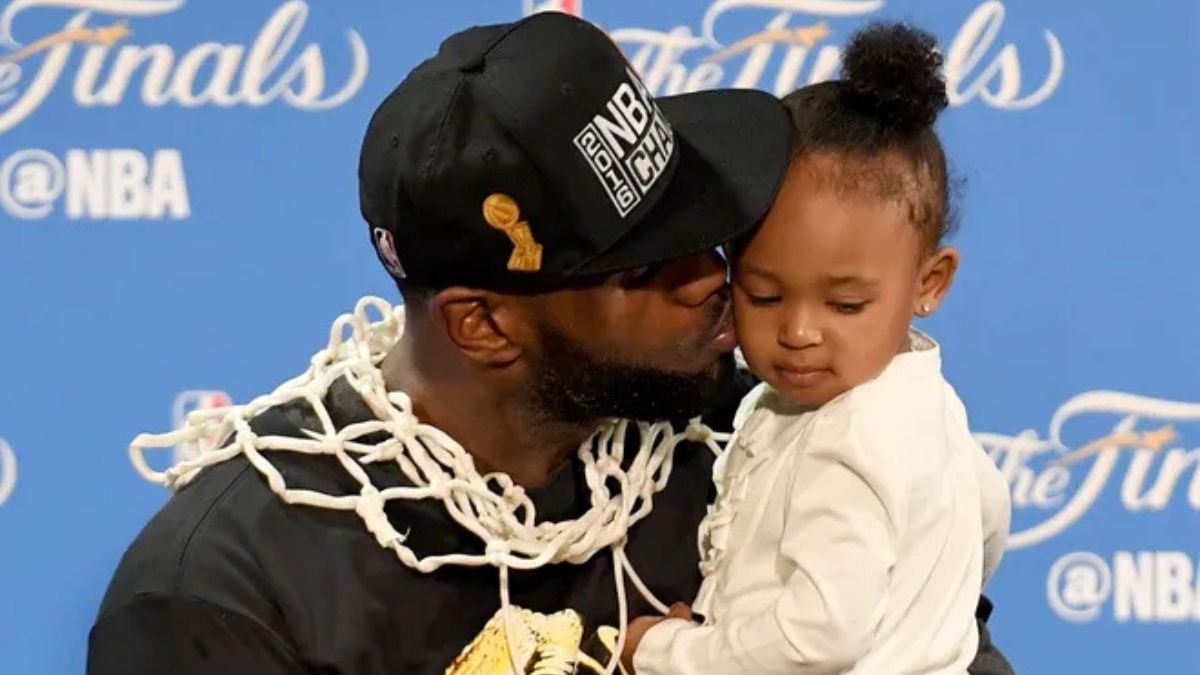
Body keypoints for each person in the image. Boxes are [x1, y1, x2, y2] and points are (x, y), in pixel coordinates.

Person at [87, 13, 1013, 675]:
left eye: (701, 226)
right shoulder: (224, 596)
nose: (711, 279)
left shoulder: (762, 427)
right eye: (644, 266)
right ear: (483, 323)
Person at [624, 22, 1012, 675]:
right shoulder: (926, 403)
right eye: (765, 296)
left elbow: (816, 641)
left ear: (929, 282)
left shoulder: (852, 435)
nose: (799, 332)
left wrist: (663, 651)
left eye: (846, 305)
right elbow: (987, 513)